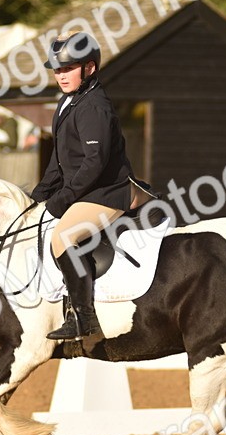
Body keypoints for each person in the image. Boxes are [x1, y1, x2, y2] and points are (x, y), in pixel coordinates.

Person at [30, 32, 154, 341]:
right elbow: (59, 160)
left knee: (63, 237)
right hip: (87, 191)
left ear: (89, 68)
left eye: (68, 68)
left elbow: (94, 163)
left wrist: (65, 198)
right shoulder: (68, 101)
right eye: (57, 70)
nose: (61, 76)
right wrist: (40, 194)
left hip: (107, 192)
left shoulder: (93, 106)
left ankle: (83, 318)